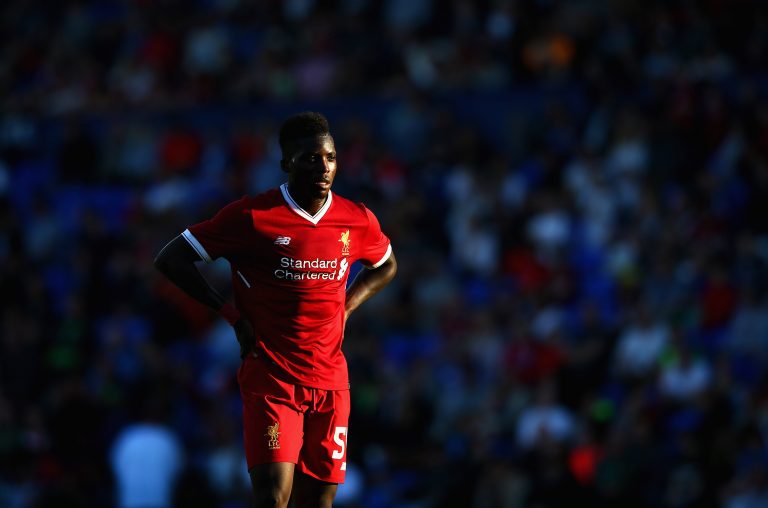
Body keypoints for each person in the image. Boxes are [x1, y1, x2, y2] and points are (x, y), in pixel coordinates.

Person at [154, 111, 397, 508]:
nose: (324, 167)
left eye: (331, 157)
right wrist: (231, 316)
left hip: (330, 381)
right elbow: (171, 259)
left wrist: (347, 307)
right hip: (272, 378)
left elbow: (386, 265)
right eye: (311, 158)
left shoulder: (356, 219)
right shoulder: (252, 217)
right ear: (287, 164)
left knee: (318, 502)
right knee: (272, 495)